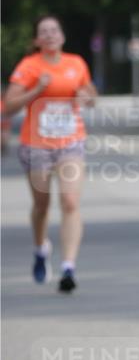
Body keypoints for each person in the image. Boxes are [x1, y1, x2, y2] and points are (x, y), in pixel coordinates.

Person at [4, 15, 97, 292]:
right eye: (43, 32)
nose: (50, 35)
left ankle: (69, 267)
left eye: (54, 30)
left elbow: (91, 95)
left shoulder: (76, 63)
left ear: (62, 36)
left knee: (69, 201)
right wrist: (37, 90)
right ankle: (40, 248)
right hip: (36, 144)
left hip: (71, 142)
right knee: (42, 206)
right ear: (36, 40)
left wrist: (86, 97)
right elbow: (8, 106)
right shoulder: (28, 66)